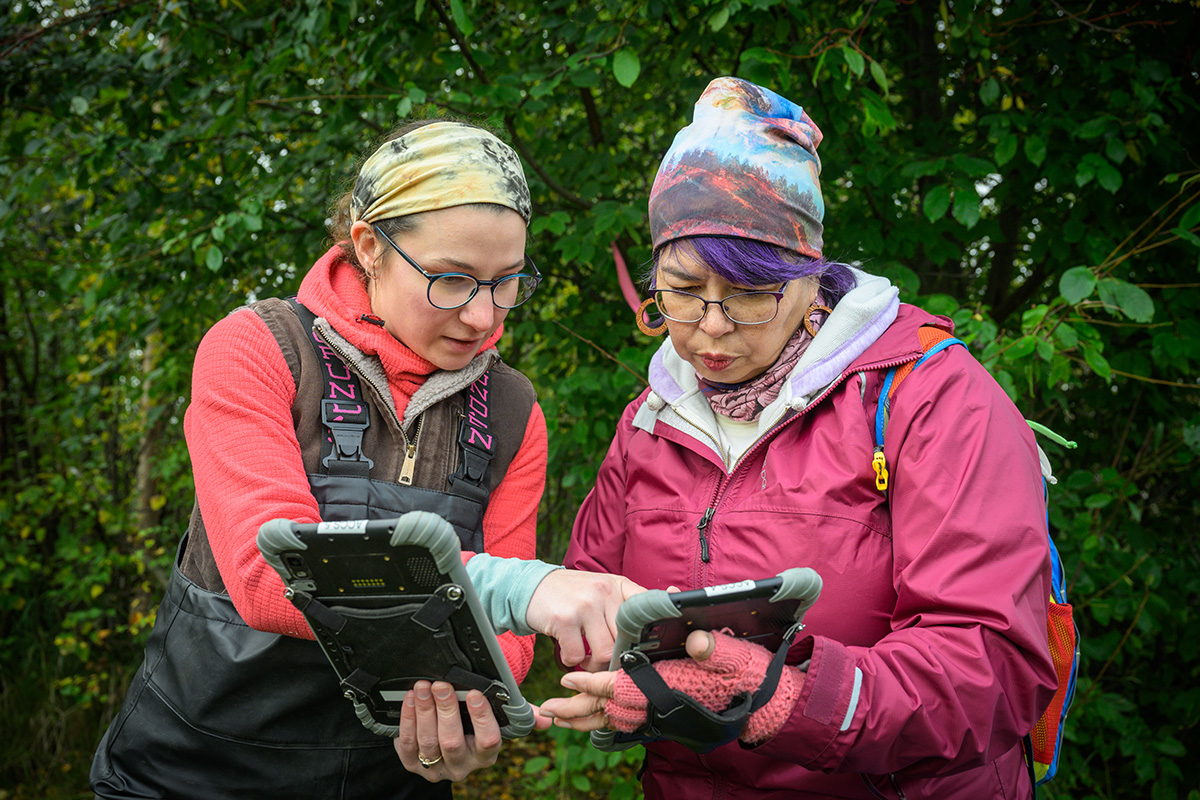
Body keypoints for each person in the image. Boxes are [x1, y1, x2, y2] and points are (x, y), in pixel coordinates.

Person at [90, 118, 641, 800]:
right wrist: (524, 589)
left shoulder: (512, 410)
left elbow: (512, 652)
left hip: (391, 784)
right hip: (189, 776)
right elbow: (268, 575)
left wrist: (473, 720)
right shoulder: (258, 350)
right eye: (452, 279)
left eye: (506, 283)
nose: (483, 318)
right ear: (368, 246)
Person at [538, 77, 1058, 799]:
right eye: (683, 290)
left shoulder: (931, 398)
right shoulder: (650, 421)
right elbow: (597, 597)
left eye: (749, 294)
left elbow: (994, 666)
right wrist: (628, 680)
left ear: (812, 280)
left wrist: (790, 698)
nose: (712, 326)